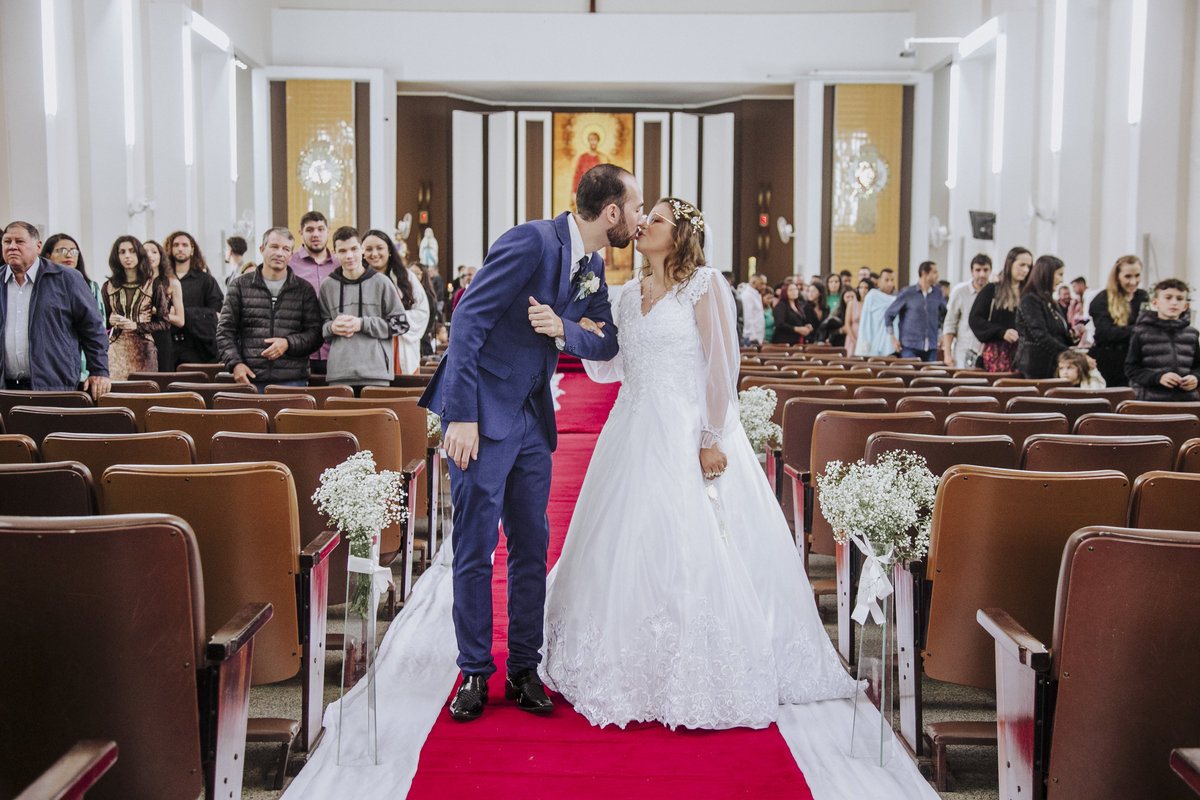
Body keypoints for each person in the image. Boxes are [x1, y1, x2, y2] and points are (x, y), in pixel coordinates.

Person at [541, 197, 859, 731]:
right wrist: (575, 331)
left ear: (681, 234)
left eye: (656, 218)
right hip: (631, 427)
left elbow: (718, 365)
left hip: (686, 428)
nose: (644, 224)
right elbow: (613, 365)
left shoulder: (703, 284)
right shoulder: (627, 294)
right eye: (645, 216)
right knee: (624, 541)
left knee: (694, 539)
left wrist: (711, 436)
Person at [419, 164, 629, 722]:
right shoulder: (531, 240)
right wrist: (461, 415)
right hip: (482, 414)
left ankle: (522, 668)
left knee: (532, 545)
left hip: (534, 418)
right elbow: (467, 320)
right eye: (634, 207)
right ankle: (473, 670)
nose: (637, 217)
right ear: (611, 212)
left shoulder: (593, 265)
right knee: (475, 546)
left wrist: (563, 328)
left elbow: (606, 341)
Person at [1, 221, 109, 396]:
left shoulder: (67, 279)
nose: (12, 246)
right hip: (5, 389)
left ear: (38, 247)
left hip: (54, 385)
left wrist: (99, 370)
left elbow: (92, 328)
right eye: (7, 241)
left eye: (19, 241)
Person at [217, 227, 323, 392]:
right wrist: (236, 364)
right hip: (250, 378)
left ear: (291, 255)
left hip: (292, 380)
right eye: (274, 247)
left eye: (286, 249)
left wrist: (288, 343)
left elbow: (316, 334)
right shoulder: (239, 286)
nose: (279, 253)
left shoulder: (304, 290)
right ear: (262, 249)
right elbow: (225, 331)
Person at [362, 229, 429, 375]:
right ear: (362, 253)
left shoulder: (407, 277)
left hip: (402, 345)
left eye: (379, 248)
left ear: (390, 250)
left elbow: (422, 312)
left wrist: (393, 321)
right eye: (369, 249)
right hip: (369, 346)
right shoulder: (359, 280)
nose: (374, 254)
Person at [101, 236, 169, 380]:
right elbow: (100, 321)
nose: (127, 256)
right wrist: (109, 320)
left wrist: (136, 326)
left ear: (139, 254)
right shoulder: (108, 286)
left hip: (144, 349)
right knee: (115, 391)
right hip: (115, 349)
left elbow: (165, 323)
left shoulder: (153, 285)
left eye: (132, 251)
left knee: (144, 389)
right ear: (116, 256)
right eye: (122, 252)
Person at [1125, 278, 1200, 402]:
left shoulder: (1192, 334)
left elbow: (1197, 366)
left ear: (1185, 306)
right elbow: (1132, 369)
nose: (1174, 303)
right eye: (1168, 298)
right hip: (1150, 401)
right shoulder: (1141, 332)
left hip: (1186, 401)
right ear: (1155, 303)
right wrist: (1158, 378)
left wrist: (1196, 378)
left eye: (1180, 298)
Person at [42, 233, 103, 382]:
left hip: (84, 356)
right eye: (62, 250)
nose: (69, 255)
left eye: (74, 251)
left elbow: (97, 326)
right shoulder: (41, 287)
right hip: (53, 358)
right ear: (48, 256)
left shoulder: (91, 286)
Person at [290, 211, 340, 375]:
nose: (315, 234)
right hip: (301, 350)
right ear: (301, 233)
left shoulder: (340, 265)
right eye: (310, 230)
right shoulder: (289, 264)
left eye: (320, 229)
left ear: (328, 231)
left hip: (335, 349)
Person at [1089, 255, 1148, 387]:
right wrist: (1139, 330)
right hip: (1108, 360)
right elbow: (1104, 333)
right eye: (1128, 276)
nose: (1133, 281)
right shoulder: (1102, 299)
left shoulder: (1143, 297)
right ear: (1117, 276)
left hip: (1134, 359)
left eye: (1137, 275)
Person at [165, 230, 223, 366]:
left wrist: (183, 313)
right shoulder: (163, 281)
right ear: (170, 249)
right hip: (168, 345)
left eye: (185, 245)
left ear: (192, 250)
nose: (180, 249)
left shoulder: (206, 281)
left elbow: (217, 314)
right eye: (176, 245)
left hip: (198, 347)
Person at [969, 246, 1031, 372]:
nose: (1025, 270)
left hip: (1024, 353)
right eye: (1021, 265)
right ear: (1010, 263)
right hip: (998, 353)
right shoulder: (992, 289)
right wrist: (1002, 332)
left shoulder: (1029, 293)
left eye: (1028, 266)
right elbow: (975, 319)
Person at [1014, 255, 1077, 379]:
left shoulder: (1052, 302)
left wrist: (1072, 337)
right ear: (1047, 275)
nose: (1062, 280)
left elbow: (1058, 333)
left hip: (1053, 363)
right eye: (1059, 275)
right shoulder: (1030, 300)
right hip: (1035, 367)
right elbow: (1040, 335)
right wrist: (1070, 354)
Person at [884, 261, 945, 361]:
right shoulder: (907, 293)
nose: (937, 275)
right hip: (909, 346)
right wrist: (893, 339)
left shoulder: (937, 293)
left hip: (932, 346)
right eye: (934, 272)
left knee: (930, 371)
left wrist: (943, 335)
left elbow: (945, 315)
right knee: (910, 371)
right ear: (924, 273)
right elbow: (889, 314)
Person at [941, 254, 992, 369]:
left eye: (985, 270)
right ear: (971, 271)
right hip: (963, 352)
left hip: (987, 353)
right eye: (978, 270)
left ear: (990, 271)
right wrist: (947, 354)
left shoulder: (996, 292)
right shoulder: (960, 291)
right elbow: (950, 324)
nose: (982, 274)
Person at [144, 240, 184, 372]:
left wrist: (157, 312)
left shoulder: (172, 283)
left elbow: (180, 320)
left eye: (154, 252)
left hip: (162, 336)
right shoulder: (136, 283)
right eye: (145, 252)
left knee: (163, 375)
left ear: (161, 256)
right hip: (140, 335)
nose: (150, 255)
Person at [855, 267, 898, 356]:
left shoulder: (898, 298)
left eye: (892, 280)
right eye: (886, 280)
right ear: (879, 280)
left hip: (892, 343)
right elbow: (865, 323)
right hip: (874, 342)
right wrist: (865, 347)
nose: (890, 283)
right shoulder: (872, 296)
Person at [738, 275, 766, 345]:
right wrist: (753, 336)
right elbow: (747, 317)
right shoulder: (747, 296)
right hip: (751, 338)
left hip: (758, 337)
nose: (764, 286)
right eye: (762, 283)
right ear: (753, 282)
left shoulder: (757, 294)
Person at [841, 287, 862, 356]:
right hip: (852, 336)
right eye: (847, 297)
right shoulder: (851, 305)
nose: (850, 299)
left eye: (852, 296)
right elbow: (847, 324)